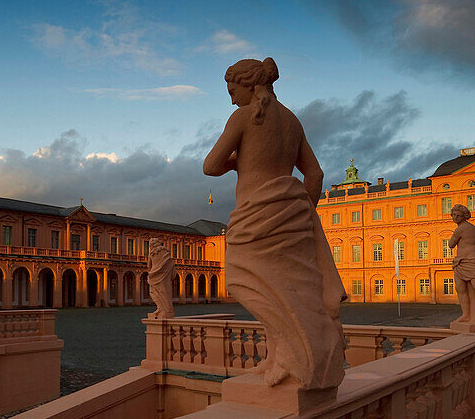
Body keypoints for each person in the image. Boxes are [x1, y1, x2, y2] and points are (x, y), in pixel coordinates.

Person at [204, 57, 345, 389]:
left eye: (232, 88)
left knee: (242, 280)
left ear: (249, 85)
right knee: (285, 286)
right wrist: (303, 211)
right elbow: (316, 173)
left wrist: (236, 162)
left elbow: (211, 166)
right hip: (290, 214)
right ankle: (278, 357)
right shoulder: (293, 121)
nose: (230, 96)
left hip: (256, 214)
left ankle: (295, 354)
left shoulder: (242, 117)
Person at [146, 237, 175, 319]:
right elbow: (171, 263)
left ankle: (161, 308)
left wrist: (153, 271)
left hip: (154, 276)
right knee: (166, 292)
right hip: (165, 276)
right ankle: (167, 310)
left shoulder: (152, 253)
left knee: (153, 292)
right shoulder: (166, 252)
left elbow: (149, 266)